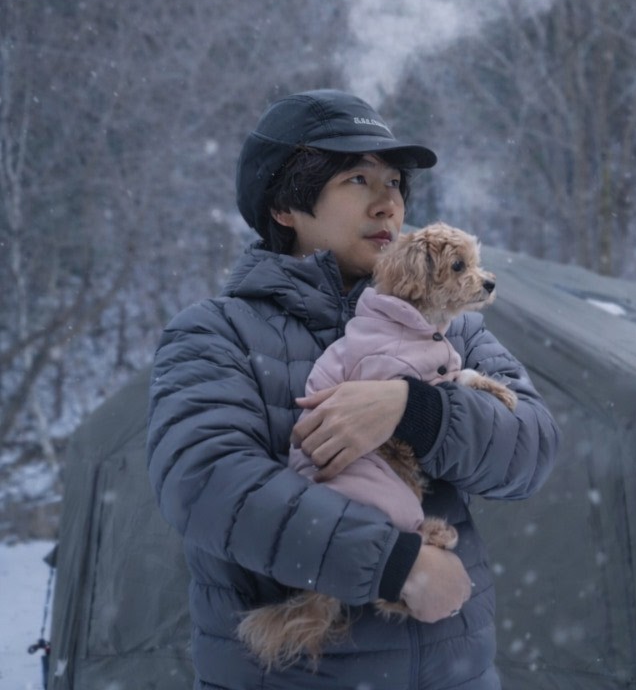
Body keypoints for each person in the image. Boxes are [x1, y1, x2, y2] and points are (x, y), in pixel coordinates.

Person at [146, 89, 559, 689]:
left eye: (394, 181)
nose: (388, 203)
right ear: (286, 207)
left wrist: (415, 410)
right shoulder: (217, 332)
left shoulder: (451, 324)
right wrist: (398, 565)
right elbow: (206, 483)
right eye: (357, 179)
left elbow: (534, 449)